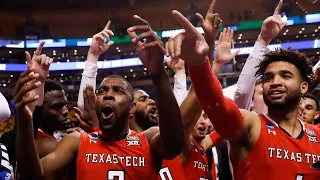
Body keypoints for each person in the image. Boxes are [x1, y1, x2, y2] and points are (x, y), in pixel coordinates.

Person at [15, 17, 185, 180]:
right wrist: (24, 120)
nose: (108, 94)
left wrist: (158, 73)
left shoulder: (148, 139)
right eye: (102, 91)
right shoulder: (77, 142)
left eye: (118, 91)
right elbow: (33, 177)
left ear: (132, 107)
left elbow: (175, 145)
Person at [168, 1, 320, 178]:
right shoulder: (251, 125)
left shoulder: (317, 136)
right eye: (268, 78)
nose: (275, 82)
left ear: (304, 87)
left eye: (285, 76)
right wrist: (199, 64)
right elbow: (215, 102)